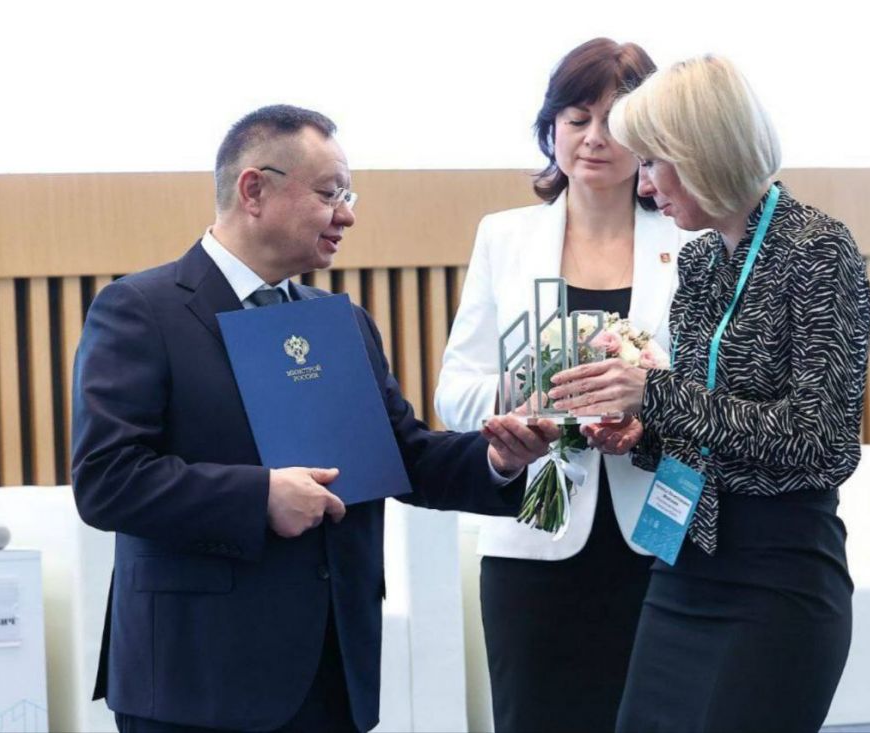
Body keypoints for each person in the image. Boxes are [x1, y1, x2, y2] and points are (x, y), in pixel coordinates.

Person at [71, 104, 557, 733]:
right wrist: (260, 496)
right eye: (331, 194)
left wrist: (497, 458)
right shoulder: (141, 309)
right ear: (254, 190)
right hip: (198, 677)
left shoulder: (340, 320)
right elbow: (108, 479)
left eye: (348, 196)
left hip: (331, 670)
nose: (347, 214)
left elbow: (401, 454)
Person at [548, 55, 870, 733]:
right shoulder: (698, 258)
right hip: (685, 558)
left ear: (700, 153)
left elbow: (821, 440)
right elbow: (708, 418)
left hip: (777, 573)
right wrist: (641, 434)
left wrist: (655, 396)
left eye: (652, 163)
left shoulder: (818, 249)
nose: (644, 185)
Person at [434, 38, 697, 733]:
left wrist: (647, 408)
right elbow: (454, 393)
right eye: (577, 118)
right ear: (550, 127)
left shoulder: (692, 243)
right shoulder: (504, 238)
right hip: (535, 542)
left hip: (661, 532)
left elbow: (714, 390)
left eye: (615, 120)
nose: (594, 137)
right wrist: (536, 398)